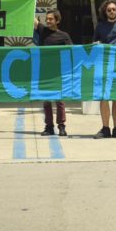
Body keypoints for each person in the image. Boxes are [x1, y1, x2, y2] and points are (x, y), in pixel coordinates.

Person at [92, 0, 116, 139]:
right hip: (104, 65)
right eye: (109, 10)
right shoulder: (100, 26)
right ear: (105, 12)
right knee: (104, 97)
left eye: (114, 9)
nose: (111, 11)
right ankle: (105, 128)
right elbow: (95, 44)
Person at [34, 9, 73, 137]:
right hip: (44, 71)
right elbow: (31, 19)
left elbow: (72, 52)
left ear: (57, 20)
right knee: (46, 101)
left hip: (58, 73)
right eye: (47, 19)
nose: (48, 21)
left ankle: (61, 126)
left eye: (51, 19)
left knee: (59, 100)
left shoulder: (64, 36)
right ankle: (49, 127)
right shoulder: (42, 30)